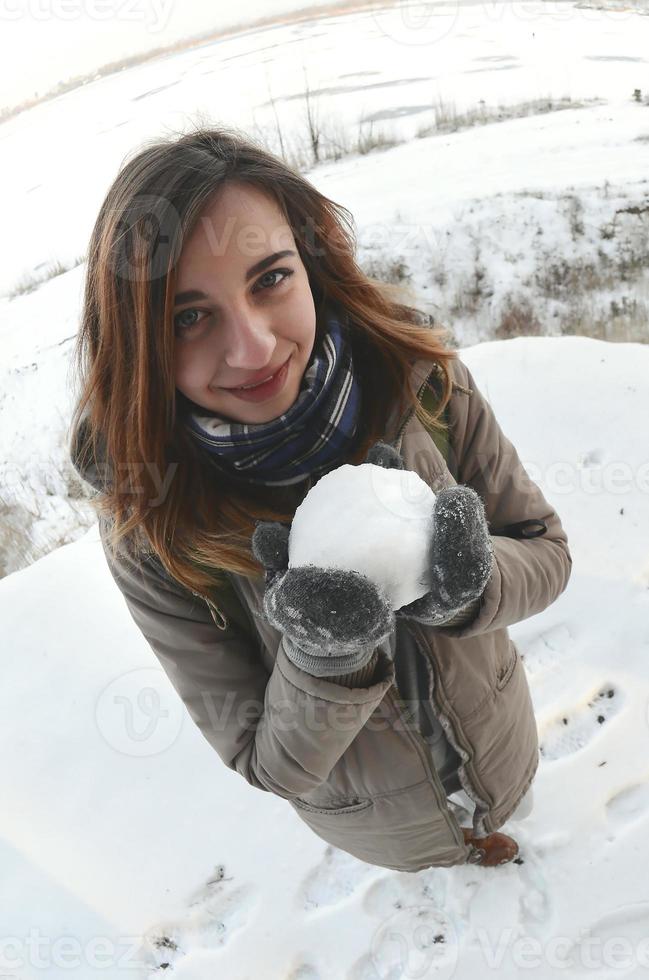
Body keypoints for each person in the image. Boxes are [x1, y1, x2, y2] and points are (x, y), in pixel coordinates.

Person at [69, 126, 572, 871]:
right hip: (379, 823)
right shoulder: (154, 526)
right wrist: (324, 660)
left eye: (269, 277)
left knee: (510, 825)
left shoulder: (423, 385)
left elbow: (544, 550)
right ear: (138, 341)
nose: (253, 347)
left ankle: (492, 832)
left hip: (499, 743)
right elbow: (263, 759)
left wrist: (472, 588)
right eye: (188, 316)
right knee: (436, 869)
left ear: (312, 266)